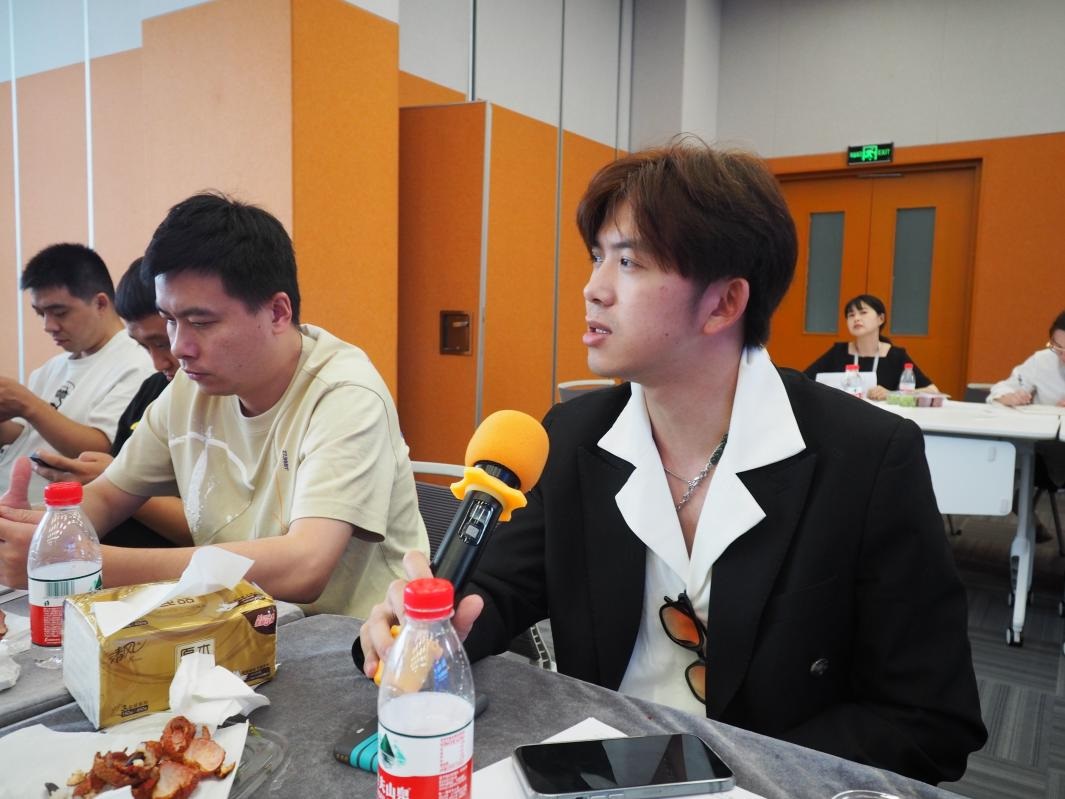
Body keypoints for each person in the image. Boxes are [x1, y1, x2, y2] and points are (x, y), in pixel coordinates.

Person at [359, 141, 986, 783]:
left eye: (629, 262)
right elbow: (500, 590)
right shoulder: (574, 438)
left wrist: (723, 773)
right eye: (597, 256)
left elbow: (930, 721)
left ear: (724, 303)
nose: (593, 289)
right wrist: (425, 629)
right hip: (600, 777)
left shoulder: (866, 458)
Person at [0, 192, 429, 618]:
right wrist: (36, 531)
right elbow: (109, 497)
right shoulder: (191, 389)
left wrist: (88, 564)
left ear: (277, 313)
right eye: (170, 320)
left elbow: (305, 566)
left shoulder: (344, 394)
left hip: (352, 640)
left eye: (201, 322)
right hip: (241, 627)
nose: (179, 347)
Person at [30, 258, 186, 548]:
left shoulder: (212, 396)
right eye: (143, 346)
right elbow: (108, 490)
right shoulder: (154, 389)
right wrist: (25, 521)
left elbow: (208, 530)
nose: (157, 362)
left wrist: (117, 482)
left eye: (163, 343)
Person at [0, 244, 155, 504]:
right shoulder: (52, 368)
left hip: (60, 514)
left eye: (60, 313)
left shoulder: (137, 362)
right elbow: (27, 439)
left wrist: (28, 405)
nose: (49, 326)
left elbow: (101, 452)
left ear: (100, 303)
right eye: (40, 314)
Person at [803, 294, 940, 400]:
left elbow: (933, 391)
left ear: (881, 319)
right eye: (851, 315)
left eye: (863, 312)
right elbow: (804, 379)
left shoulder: (895, 355)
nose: (856, 318)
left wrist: (892, 394)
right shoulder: (838, 352)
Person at [987, 309, 1065, 488]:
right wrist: (1010, 397)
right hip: (1047, 451)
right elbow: (1002, 388)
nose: (1062, 356)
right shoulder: (1043, 361)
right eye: (1058, 348)